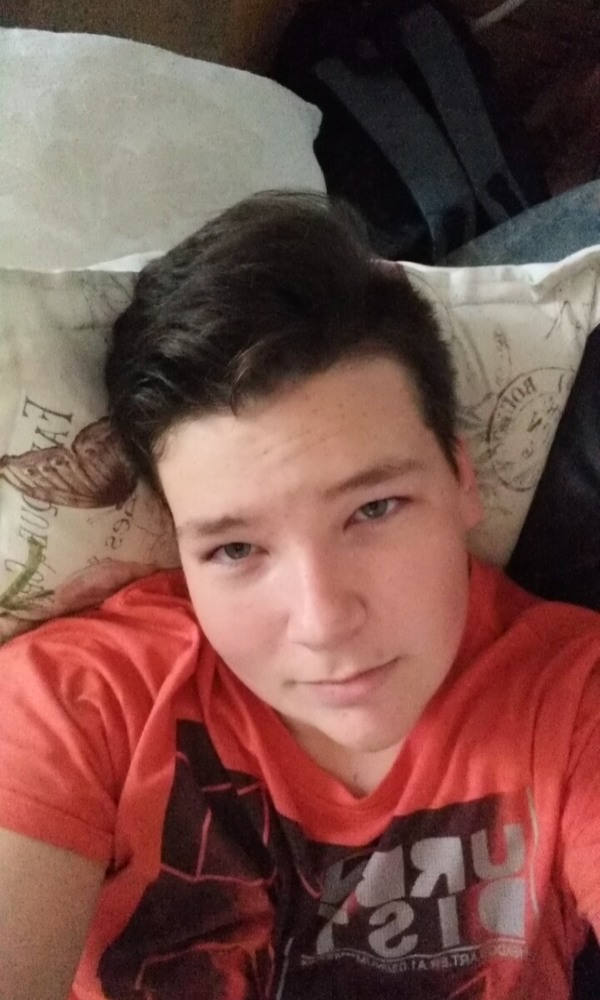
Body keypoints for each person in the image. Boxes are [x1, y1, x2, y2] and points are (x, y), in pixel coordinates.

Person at [0, 191, 599, 1000]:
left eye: (374, 509)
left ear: (462, 479)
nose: (323, 623)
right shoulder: (78, 705)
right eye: (235, 549)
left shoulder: (572, 698)